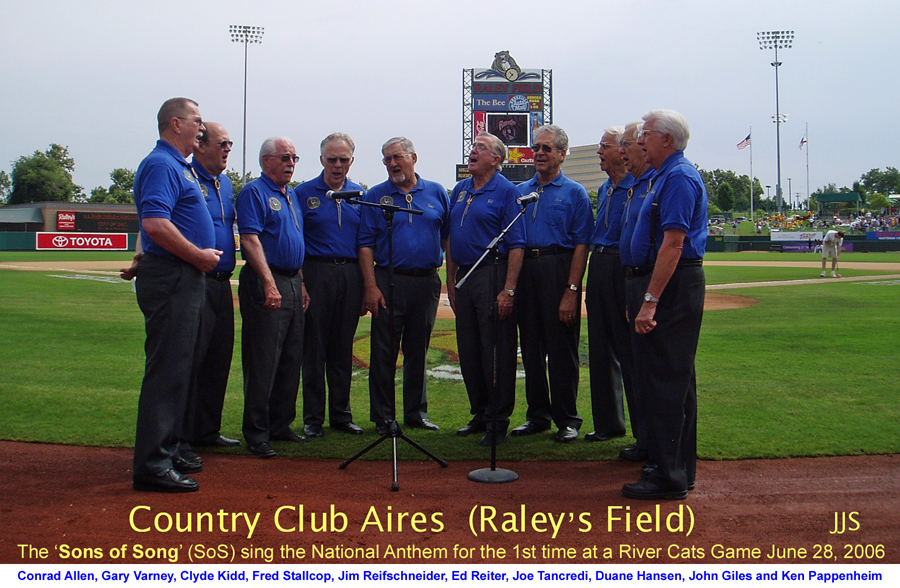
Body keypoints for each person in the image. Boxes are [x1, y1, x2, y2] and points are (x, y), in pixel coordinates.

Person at [130, 97, 220, 493]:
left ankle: (170, 451)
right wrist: (198, 255)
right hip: (173, 276)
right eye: (197, 121)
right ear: (175, 123)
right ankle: (153, 464)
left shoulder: (177, 166)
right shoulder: (162, 164)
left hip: (182, 276)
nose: (202, 128)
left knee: (180, 369)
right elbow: (154, 222)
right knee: (167, 372)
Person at [620, 109, 707, 500]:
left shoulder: (679, 177)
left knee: (667, 382)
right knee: (669, 379)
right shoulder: (663, 176)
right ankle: (674, 468)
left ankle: (668, 477)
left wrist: (650, 301)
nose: (640, 141)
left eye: (647, 134)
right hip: (661, 282)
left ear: (667, 139)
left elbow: (673, 243)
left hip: (671, 286)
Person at [358, 137, 450, 434]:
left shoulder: (436, 192)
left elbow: (447, 236)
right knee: (383, 351)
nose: (392, 164)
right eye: (386, 159)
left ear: (413, 157)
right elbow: (365, 245)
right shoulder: (376, 195)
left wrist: (449, 279)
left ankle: (415, 413)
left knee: (417, 350)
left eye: (397, 157)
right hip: (388, 279)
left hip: (426, 281)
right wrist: (371, 287)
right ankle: (383, 417)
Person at [511, 125, 593, 443]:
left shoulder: (575, 193)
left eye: (547, 148)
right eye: (537, 148)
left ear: (562, 153)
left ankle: (567, 418)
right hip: (526, 270)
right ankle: (537, 416)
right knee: (531, 348)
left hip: (558, 268)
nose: (540, 153)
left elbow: (581, 245)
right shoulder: (521, 190)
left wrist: (571, 291)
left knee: (561, 350)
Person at [446, 132, 525, 446]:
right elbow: (451, 238)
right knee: (469, 349)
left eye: (480, 148)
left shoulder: (507, 191)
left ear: (496, 158)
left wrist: (508, 290)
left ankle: (498, 420)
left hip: (493, 273)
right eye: (472, 146)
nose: (472, 151)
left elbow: (517, 244)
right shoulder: (461, 189)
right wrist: (451, 281)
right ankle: (479, 412)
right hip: (464, 276)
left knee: (496, 350)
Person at [236, 137, 309, 458]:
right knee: (264, 358)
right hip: (268, 279)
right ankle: (256, 431)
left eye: (294, 157)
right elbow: (250, 239)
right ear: (266, 160)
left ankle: (281, 424)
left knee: (291, 358)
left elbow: (296, 241)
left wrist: (301, 284)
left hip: (293, 280)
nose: (291, 163)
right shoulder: (255, 192)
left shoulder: (290, 193)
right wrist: (268, 282)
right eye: (284, 157)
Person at [296, 133, 366, 438]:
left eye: (343, 160)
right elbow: (297, 241)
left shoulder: (361, 195)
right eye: (331, 159)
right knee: (314, 349)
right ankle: (313, 418)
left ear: (352, 160)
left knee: (342, 349)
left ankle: (341, 415)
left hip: (350, 275)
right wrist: (301, 282)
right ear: (322, 159)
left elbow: (366, 244)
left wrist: (366, 286)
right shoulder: (303, 193)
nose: (337, 165)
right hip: (316, 272)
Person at [188, 123, 240, 449]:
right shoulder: (186, 178)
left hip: (222, 283)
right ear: (200, 145)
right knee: (192, 360)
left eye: (230, 144)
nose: (227, 150)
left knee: (218, 360)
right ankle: (182, 436)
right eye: (222, 143)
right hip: (196, 281)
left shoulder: (226, 184)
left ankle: (208, 431)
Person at [585, 126, 633, 443]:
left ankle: (642, 429)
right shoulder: (605, 188)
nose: (599, 152)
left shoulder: (638, 185)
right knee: (599, 348)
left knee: (628, 349)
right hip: (599, 262)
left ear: (622, 150)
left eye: (605, 146)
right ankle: (608, 423)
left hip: (623, 263)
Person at [615, 121, 653, 463]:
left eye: (631, 142)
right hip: (631, 279)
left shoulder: (660, 182)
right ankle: (645, 441)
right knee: (637, 366)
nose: (624, 149)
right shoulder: (637, 184)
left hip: (649, 279)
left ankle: (656, 447)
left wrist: (648, 299)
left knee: (654, 371)